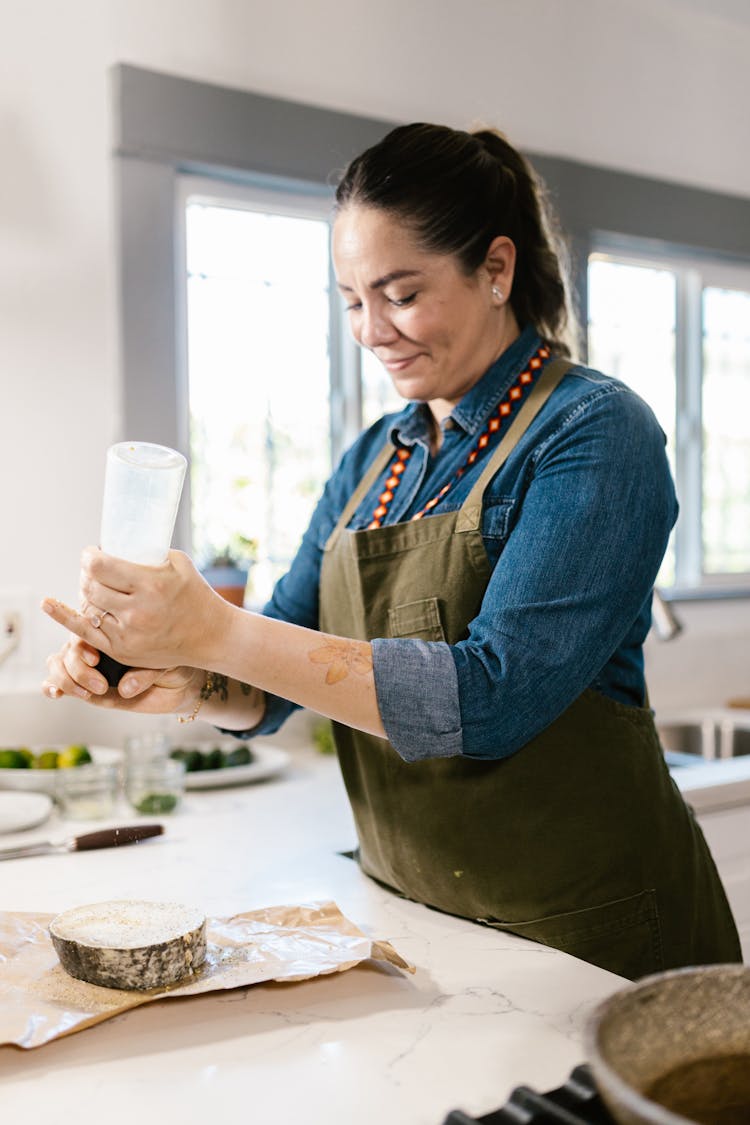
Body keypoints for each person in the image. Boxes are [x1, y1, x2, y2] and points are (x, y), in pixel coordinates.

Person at [42, 122, 741, 980]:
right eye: (351, 300)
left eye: (401, 293)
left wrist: (213, 631)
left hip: (592, 935)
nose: (372, 330)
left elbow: (491, 701)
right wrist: (174, 674)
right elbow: (266, 690)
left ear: (496, 270)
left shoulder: (593, 430)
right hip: (425, 925)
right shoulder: (377, 456)